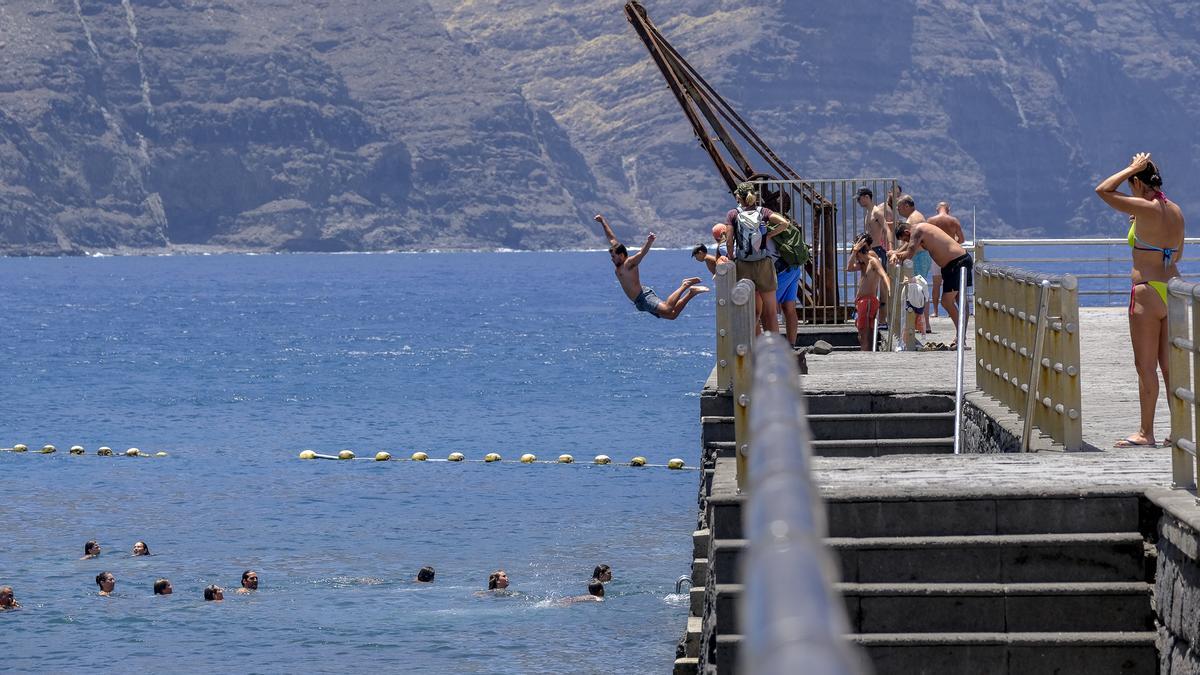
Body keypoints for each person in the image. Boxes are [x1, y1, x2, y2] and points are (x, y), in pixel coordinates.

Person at [1096, 152, 1185, 448]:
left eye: (1132, 181)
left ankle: (1146, 433)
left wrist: (1130, 167)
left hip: (1146, 291)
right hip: (1173, 289)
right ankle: (1180, 432)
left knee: (1145, 367)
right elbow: (1177, 253)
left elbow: (1104, 190)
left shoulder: (1142, 208)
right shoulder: (1175, 210)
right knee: (1172, 368)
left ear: (1136, 182)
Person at [592, 214, 709, 320]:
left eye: (613, 256)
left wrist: (649, 242)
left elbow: (641, 253)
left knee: (668, 309)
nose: (612, 259)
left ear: (622, 255)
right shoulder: (619, 255)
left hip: (644, 297)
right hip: (639, 302)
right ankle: (691, 293)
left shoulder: (629, 264)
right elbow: (611, 238)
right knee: (672, 315)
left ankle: (685, 285)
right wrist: (602, 221)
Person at [726, 182, 793, 335]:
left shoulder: (732, 214)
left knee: (747, 310)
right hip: (763, 264)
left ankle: (750, 347)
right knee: (770, 311)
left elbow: (729, 241)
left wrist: (731, 257)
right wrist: (769, 235)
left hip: (743, 265)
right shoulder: (763, 211)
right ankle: (774, 348)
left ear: (738, 198)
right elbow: (784, 223)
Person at [890, 222, 973, 338]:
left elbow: (909, 254)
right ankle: (961, 337)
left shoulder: (917, 231)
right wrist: (897, 253)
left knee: (946, 301)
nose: (908, 242)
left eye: (907, 239)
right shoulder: (920, 230)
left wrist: (895, 256)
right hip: (953, 263)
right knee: (959, 300)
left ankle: (960, 336)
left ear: (907, 232)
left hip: (957, 263)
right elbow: (911, 250)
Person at [846, 233, 890, 351]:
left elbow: (883, 275)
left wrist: (889, 288)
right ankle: (867, 352)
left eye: (856, 254)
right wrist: (855, 252)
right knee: (866, 333)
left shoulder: (872, 259)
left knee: (864, 334)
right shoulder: (863, 263)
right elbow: (849, 268)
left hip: (867, 301)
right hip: (863, 302)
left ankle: (865, 354)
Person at [925, 202, 965, 318]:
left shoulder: (931, 221)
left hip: (936, 255)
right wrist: (952, 244)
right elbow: (961, 239)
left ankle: (935, 311)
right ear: (949, 209)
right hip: (951, 257)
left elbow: (926, 237)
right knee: (951, 284)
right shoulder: (954, 221)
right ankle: (950, 311)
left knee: (936, 284)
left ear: (937, 209)